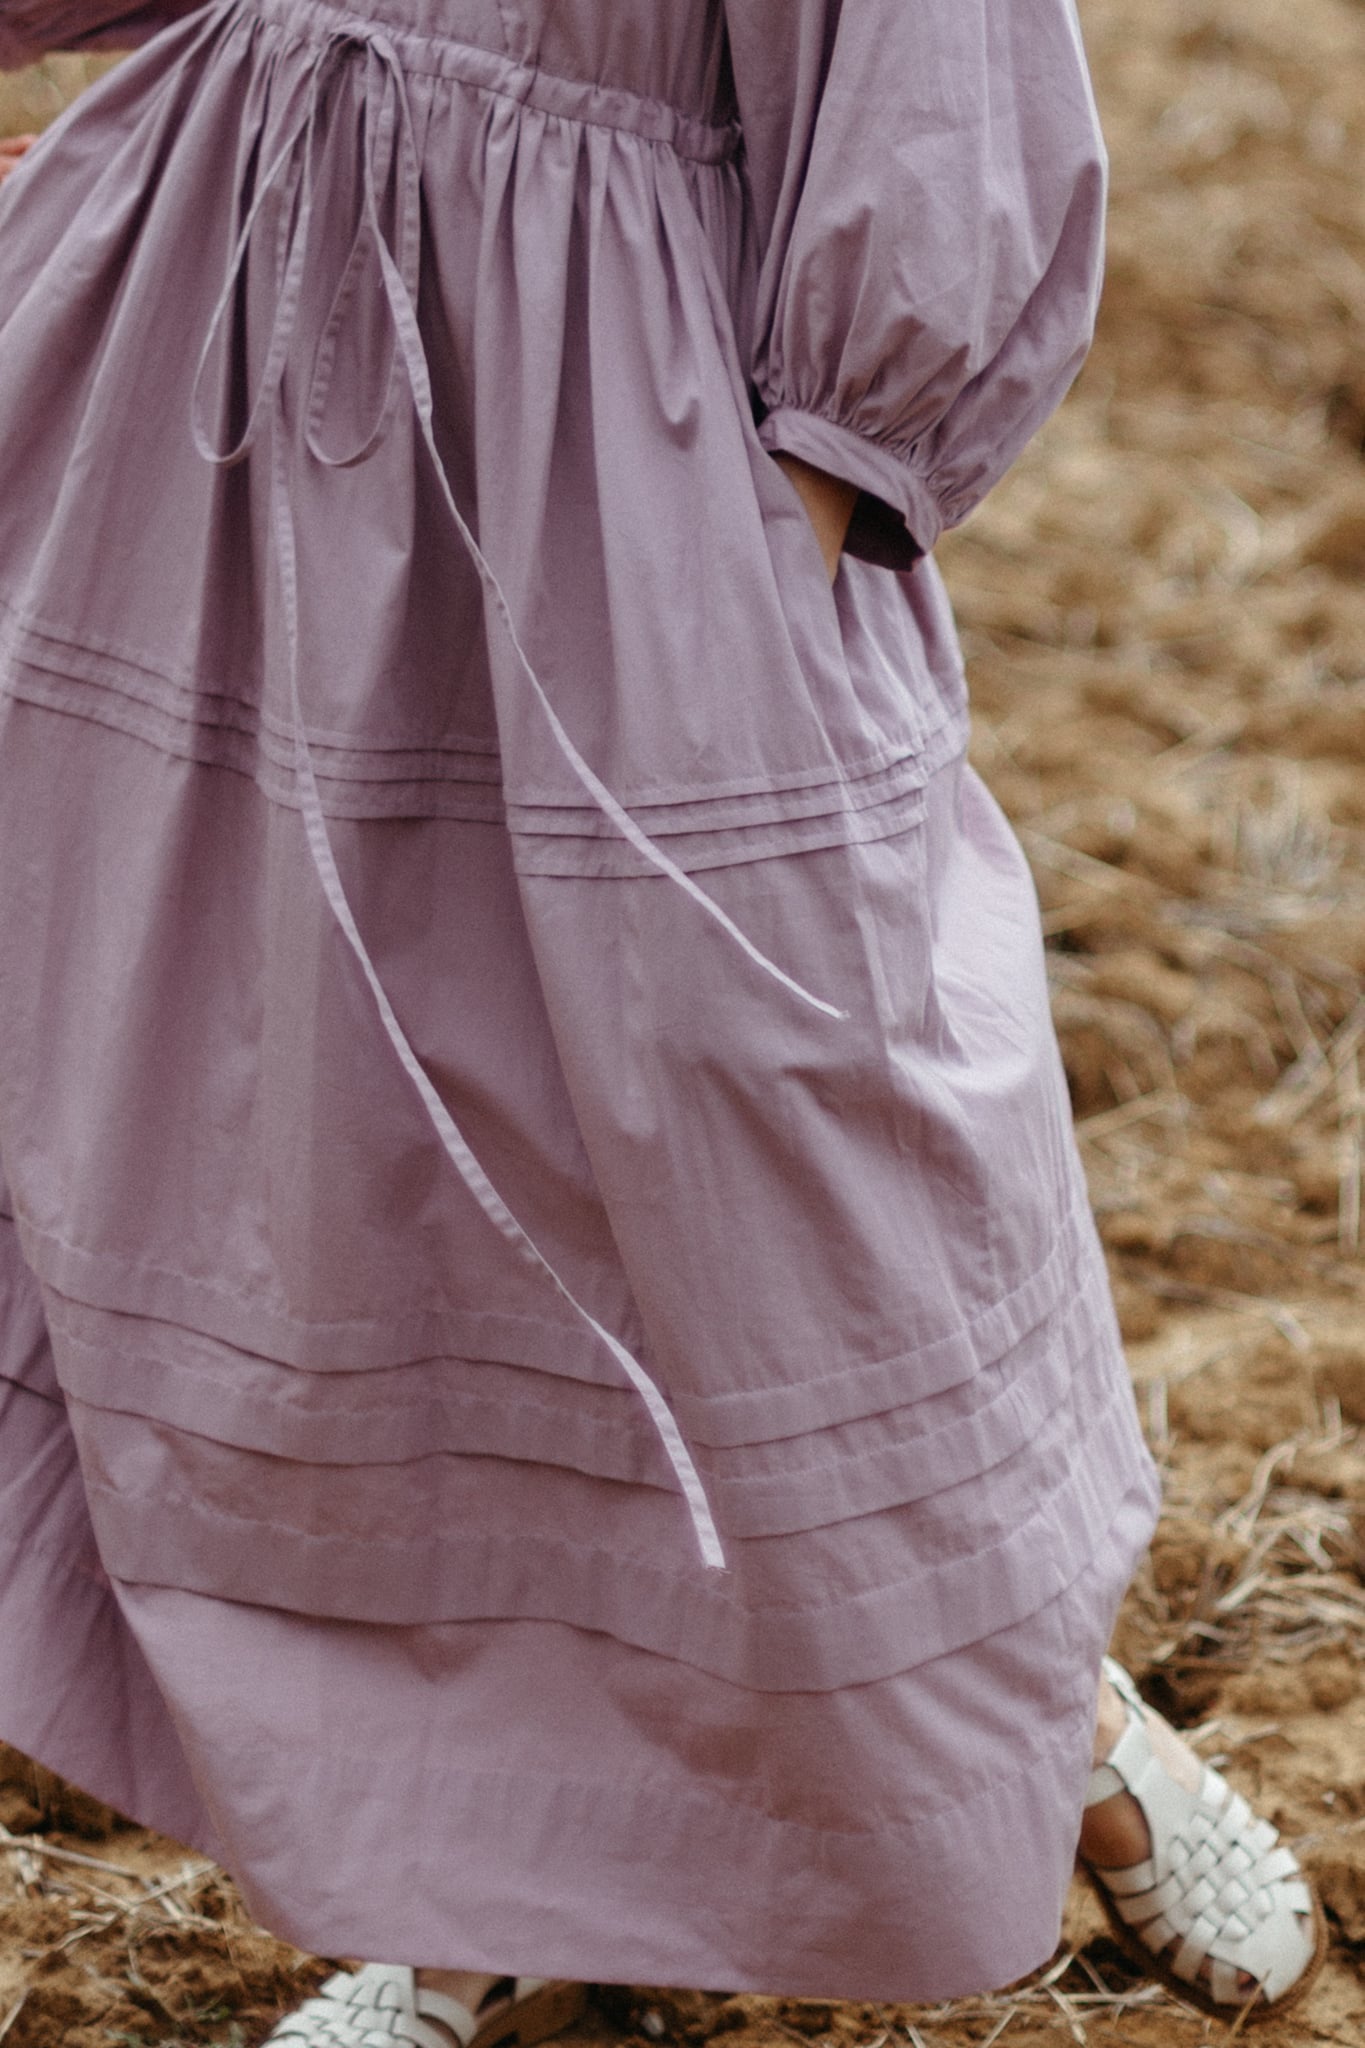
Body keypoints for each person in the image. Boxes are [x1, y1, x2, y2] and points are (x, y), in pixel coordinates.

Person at [0, 0, 1327, 2039]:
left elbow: (935, 84)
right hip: (228, 375)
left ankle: (1033, 1703)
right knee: (355, 1133)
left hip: (625, 458)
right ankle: (484, 1892)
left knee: (763, 1127)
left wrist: (777, 534)